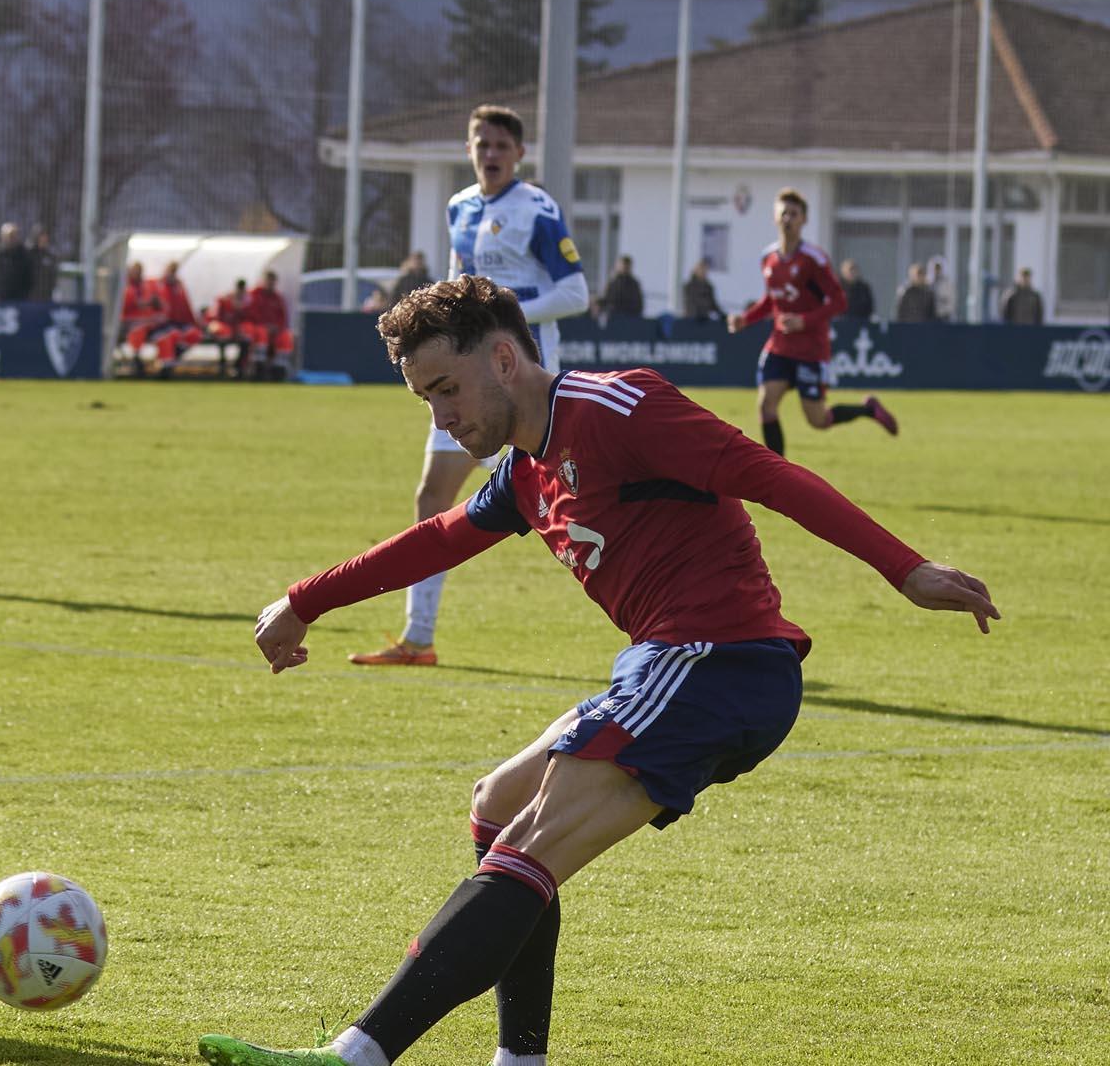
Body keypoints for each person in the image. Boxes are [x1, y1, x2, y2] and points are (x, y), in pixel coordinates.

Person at [198, 275, 999, 1066]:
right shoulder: (525, 471)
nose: (441, 417)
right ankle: (520, 1061)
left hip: (720, 662)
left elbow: (767, 473)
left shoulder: (619, 406)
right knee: (498, 805)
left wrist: (906, 569)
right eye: (425, 400)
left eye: (447, 390)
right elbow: (439, 538)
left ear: (504, 360)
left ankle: (354, 1057)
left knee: (529, 843)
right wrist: (305, 600)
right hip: (669, 666)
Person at [350, 103, 588, 668]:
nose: (491, 154)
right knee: (432, 496)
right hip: (463, 380)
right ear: (469, 150)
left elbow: (575, 293)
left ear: (519, 154)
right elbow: (460, 285)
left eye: (502, 146)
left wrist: (502, 315)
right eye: (482, 144)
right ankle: (418, 639)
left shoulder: (537, 210)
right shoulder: (459, 207)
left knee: (568, 507)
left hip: (518, 385)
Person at [726, 188, 898, 459]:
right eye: (783, 213)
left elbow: (839, 301)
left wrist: (803, 321)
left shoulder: (813, 259)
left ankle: (869, 409)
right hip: (779, 346)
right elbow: (772, 300)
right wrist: (745, 319)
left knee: (818, 420)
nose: (788, 218)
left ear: (804, 219)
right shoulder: (767, 258)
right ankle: (778, 473)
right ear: (775, 217)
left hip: (811, 349)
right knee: (766, 405)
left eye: (794, 214)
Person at [27, 227, 59, 302]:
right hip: (30, 296)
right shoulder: (29, 255)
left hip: (46, 296)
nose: (44, 240)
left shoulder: (50, 256)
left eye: (46, 238)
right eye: (42, 237)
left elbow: (53, 275)